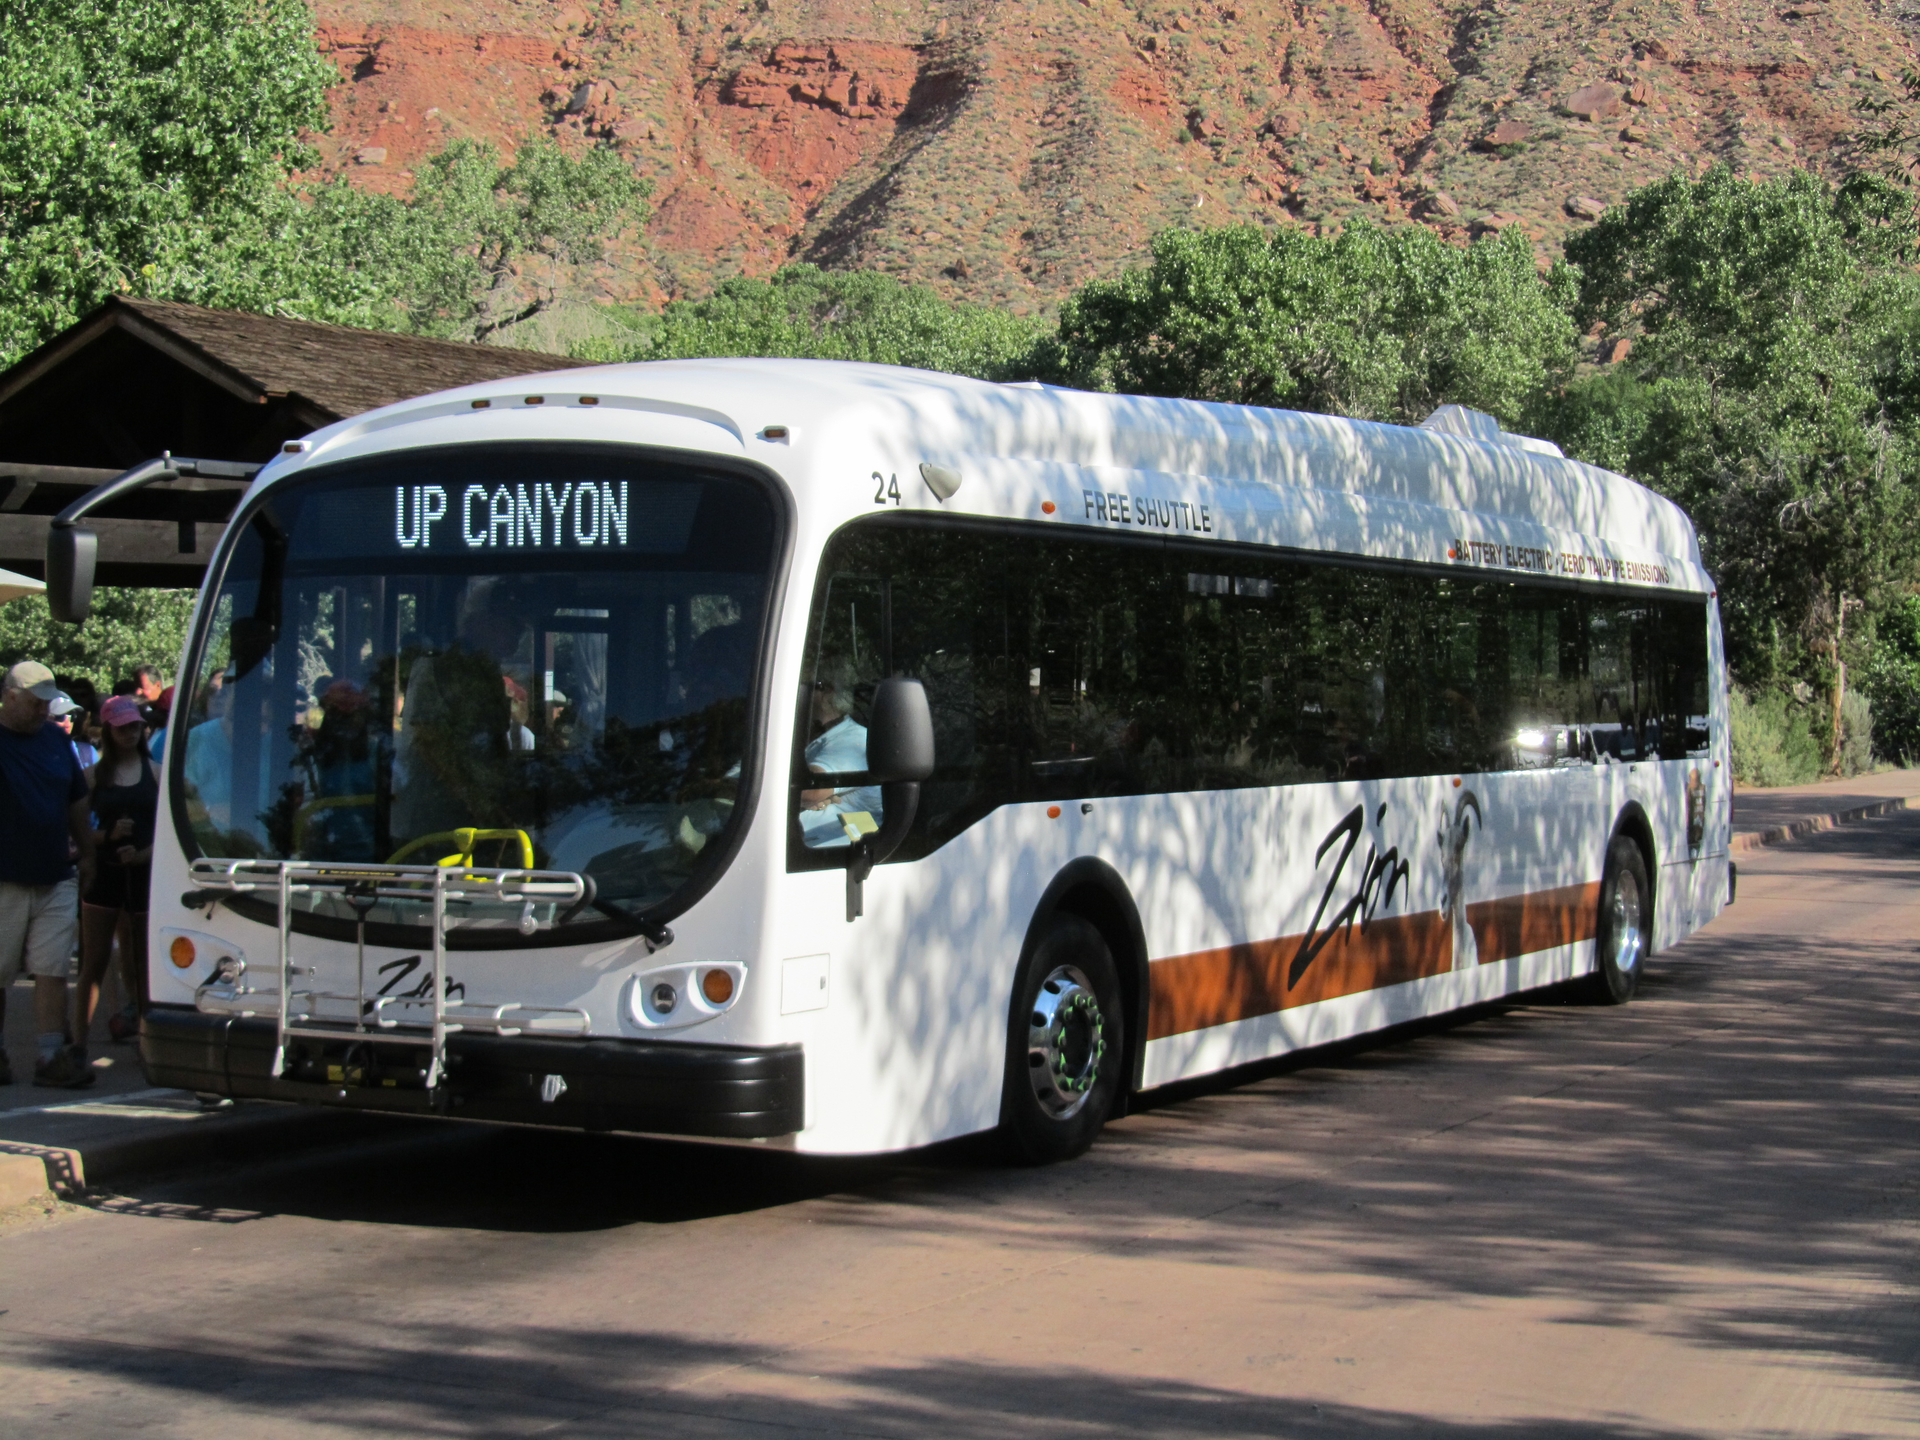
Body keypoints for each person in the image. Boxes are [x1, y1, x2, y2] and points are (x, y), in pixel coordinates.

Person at [0, 661, 96, 1087]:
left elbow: (77, 798)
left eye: (47, 703)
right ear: (11, 696)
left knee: (53, 968)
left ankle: (50, 1056)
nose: (45, 711)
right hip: (5, 876)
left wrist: (89, 851)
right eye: (36, 703)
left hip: (56, 872)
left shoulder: (57, 742)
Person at [74, 696, 156, 1053]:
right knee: (94, 960)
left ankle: (146, 1040)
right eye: (122, 727)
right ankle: (78, 1043)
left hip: (144, 875)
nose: (129, 732)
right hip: (105, 874)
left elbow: (169, 832)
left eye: (135, 726)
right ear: (108, 730)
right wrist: (107, 837)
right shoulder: (91, 777)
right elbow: (75, 832)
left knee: (142, 963)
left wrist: (142, 855)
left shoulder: (156, 772)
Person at [797, 668, 883, 849]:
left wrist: (806, 797)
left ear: (827, 690)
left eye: (805, 685)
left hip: (833, 860)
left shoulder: (854, 739)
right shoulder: (814, 736)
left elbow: (812, 791)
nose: (798, 690)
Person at [50, 693, 97, 770]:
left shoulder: (87, 752)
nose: (67, 724)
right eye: (60, 717)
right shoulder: (31, 754)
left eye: (72, 716)